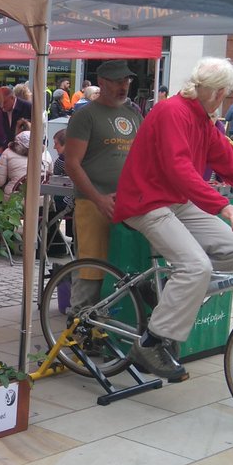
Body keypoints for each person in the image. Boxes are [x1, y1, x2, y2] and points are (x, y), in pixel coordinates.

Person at [113, 57, 233, 381]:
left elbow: (232, 161)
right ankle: (150, 343)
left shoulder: (203, 120)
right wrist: (224, 207)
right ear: (217, 92)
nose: (224, 99)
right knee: (196, 266)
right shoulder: (171, 111)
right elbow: (178, 168)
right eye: (225, 93)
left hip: (175, 201)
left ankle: (165, 292)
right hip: (145, 201)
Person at [64, 59, 142, 309]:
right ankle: (79, 327)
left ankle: (111, 328)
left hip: (128, 204)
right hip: (93, 204)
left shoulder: (133, 114)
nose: (124, 85)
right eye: (118, 80)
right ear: (101, 82)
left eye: (127, 80)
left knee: (125, 268)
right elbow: (72, 164)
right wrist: (98, 199)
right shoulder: (85, 116)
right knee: (91, 270)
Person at [0, 130, 50, 198]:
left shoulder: (8, 153)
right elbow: (50, 176)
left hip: (15, 200)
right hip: (42, 198)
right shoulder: (46, 154)